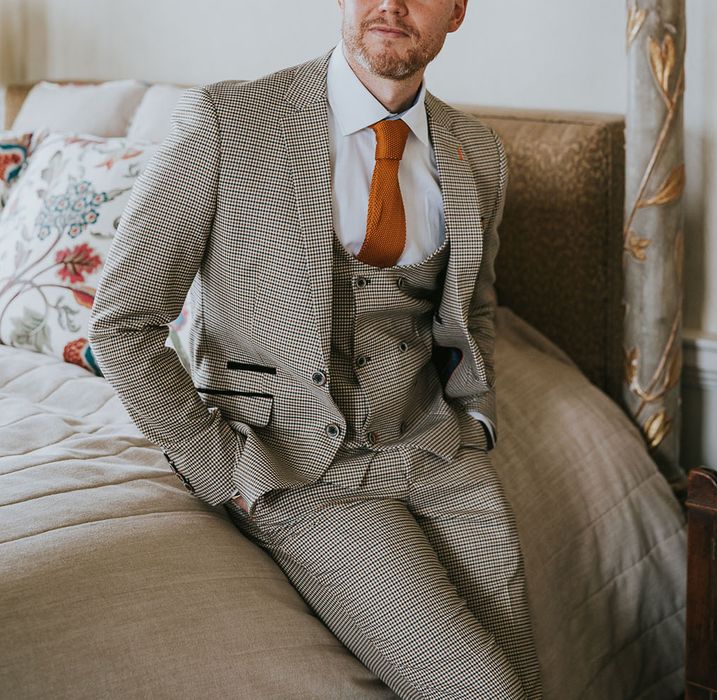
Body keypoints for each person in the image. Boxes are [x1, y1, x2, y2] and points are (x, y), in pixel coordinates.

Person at [89, 1, 543, 697]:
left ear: (456, 11)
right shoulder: (225, 121)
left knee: (524, 679)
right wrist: (223, 468)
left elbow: (472, 309)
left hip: (436, 451)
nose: (390, 2)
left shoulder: (477, 152)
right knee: (486, 691)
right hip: (296, 465)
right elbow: (123, 322)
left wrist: (474, 419)